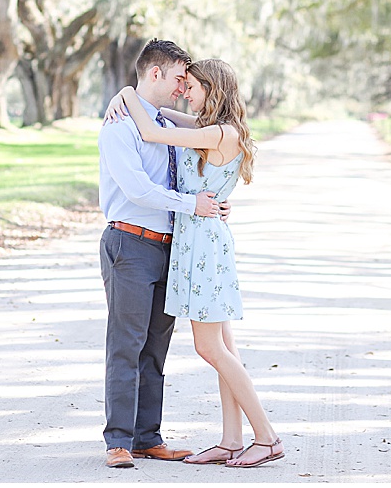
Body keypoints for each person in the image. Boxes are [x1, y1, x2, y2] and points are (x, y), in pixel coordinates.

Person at [104, 58, 285, 468]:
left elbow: (152, 129)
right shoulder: (211, 127)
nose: (185, 91)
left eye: (193, 85)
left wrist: (129, 94)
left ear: (213, 88)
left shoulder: (219, 132)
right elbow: (163, 115)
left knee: (209, 348)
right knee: (225, 348)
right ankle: (231, 438)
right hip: (200, 240)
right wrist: (129, 95)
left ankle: (267, 437)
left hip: (203, 246)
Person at [98, 39, 229, 469]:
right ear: (155, 73)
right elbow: (138, 189)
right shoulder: (120, 125)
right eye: (177, 78)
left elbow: (202, 162)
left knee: (155, 347)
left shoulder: (164, 123)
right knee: (126, 345)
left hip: (170, 247)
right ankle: (117, 440)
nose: (181, 87)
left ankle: (146, 437)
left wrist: (214, 200)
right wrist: (195, 206)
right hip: (131, 244)